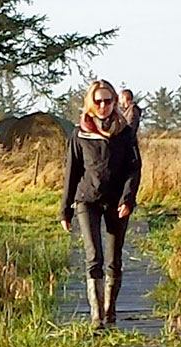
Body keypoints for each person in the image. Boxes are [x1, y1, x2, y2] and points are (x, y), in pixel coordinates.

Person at [60, 78, 142, 327]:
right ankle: (96, 317)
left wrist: (128, 198)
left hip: (117, 202)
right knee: (93, 256)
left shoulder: (125, 133)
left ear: (115, 102)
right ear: (90, 103)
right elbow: (72, 172)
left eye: (108, 101)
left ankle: (110, 311)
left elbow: (134, 169)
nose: (103, 106)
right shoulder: (80, 134)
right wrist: (65, 210)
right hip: (87, 200)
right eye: (98, 101)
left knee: (114, 259)